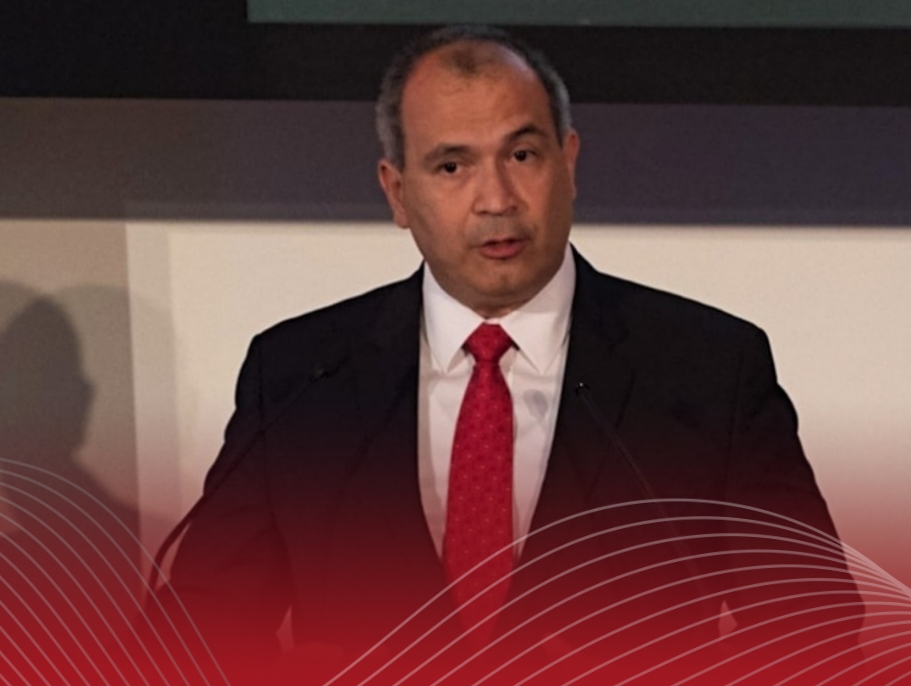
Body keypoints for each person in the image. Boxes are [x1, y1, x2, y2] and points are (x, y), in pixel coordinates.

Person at [147, 25, 862, 686]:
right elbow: (190, 637)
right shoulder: (302, 376)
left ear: (568, 163)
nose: (496, 199)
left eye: (522, 156)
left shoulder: (706, 371)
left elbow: (816, 630)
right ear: (398, 193)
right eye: (451, 165)